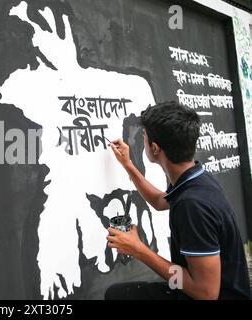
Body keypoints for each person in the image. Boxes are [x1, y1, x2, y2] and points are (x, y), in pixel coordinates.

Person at [105, 101, 250, 300]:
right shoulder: (194, 178)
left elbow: (206, 294)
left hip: (207, 294)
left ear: (155, 148)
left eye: (144, 137)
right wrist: (128, 165)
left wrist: (138, 250)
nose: (142, 141)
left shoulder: (192, 205)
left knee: (116, 296)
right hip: (200, 286)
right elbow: (159, 201)